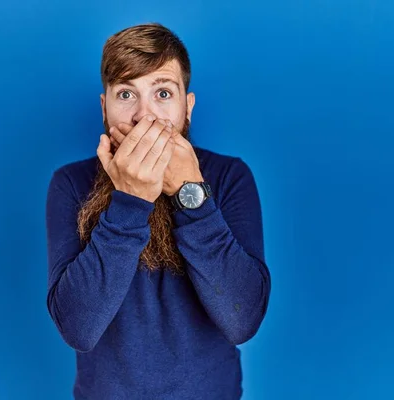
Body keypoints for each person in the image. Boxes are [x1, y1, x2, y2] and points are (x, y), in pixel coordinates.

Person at [45, 22, 271, 400]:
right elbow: (78, 328)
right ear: (104, 107)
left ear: (188, 106)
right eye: (126, 94)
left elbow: (242, 319)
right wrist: (130, 200)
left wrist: (191, 193)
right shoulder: (70, 184)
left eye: (163, 92)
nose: (143, 117)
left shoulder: (231, 177)